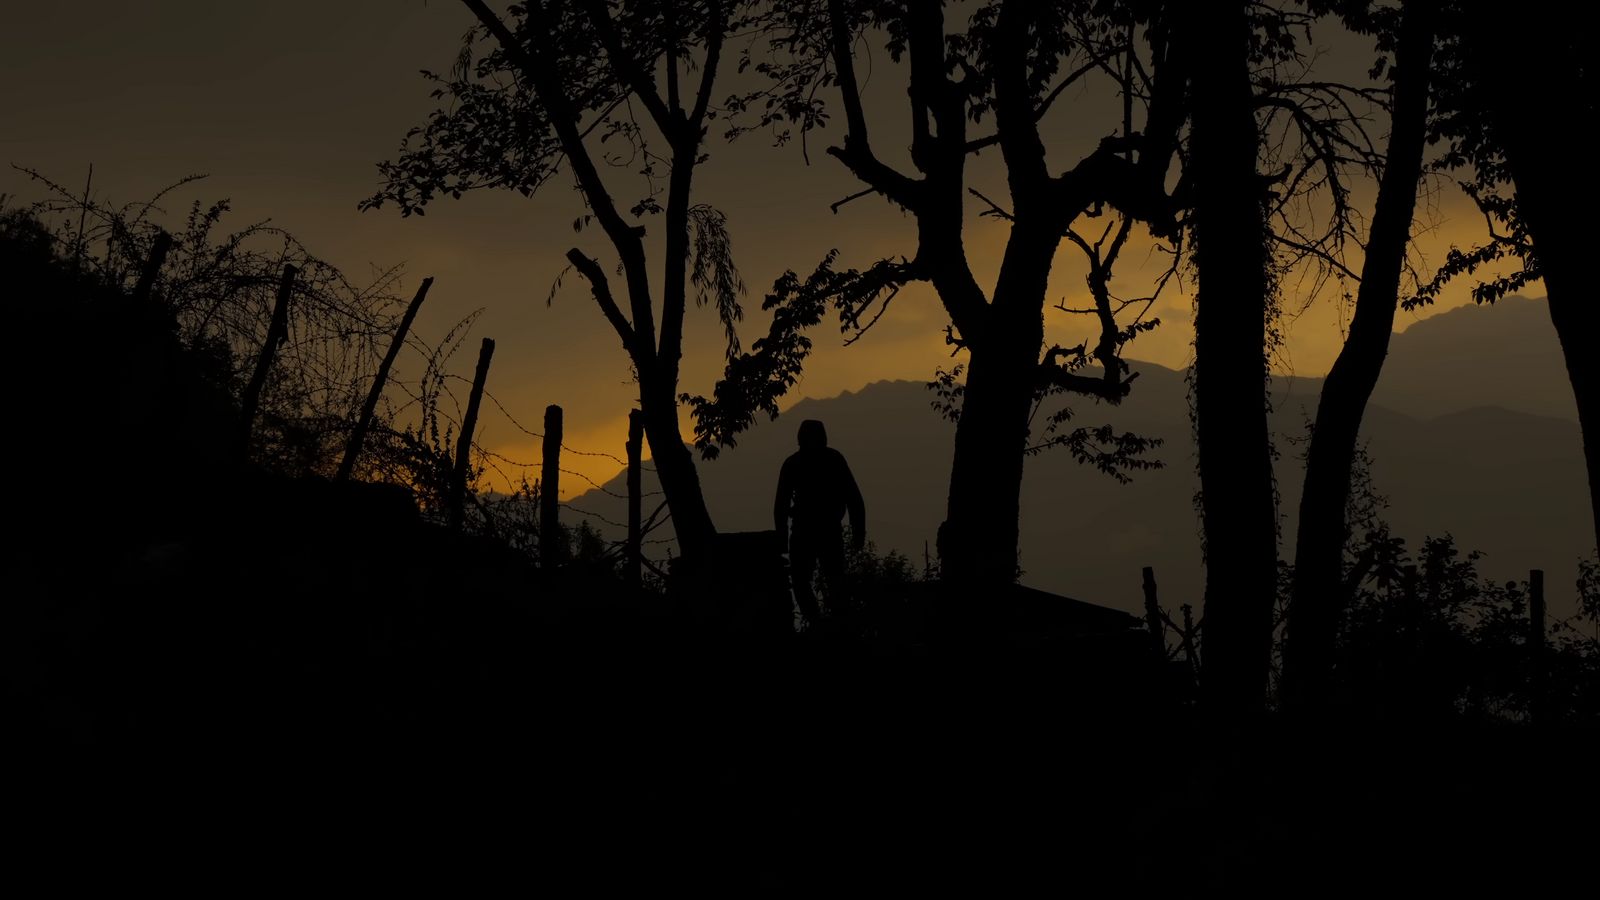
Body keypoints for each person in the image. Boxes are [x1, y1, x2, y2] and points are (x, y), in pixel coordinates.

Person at [774, 419, 866, 626]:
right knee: (828, 581)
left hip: (808, 531)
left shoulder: (795, 463)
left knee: (814, 582)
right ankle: (829, 624)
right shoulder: (832, 459)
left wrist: (781, 538)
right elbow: (854, 499)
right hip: (821, 531)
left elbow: (781, 505)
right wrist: (858, 533)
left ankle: (822, 623)